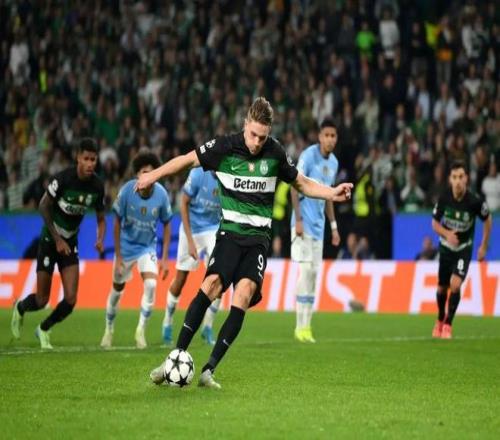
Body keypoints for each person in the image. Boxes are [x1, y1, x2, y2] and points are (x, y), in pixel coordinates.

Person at [136, 97, 353, 389]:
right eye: (253, 135)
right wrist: (152, 175)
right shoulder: (224, 147)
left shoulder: (275, 152)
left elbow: (302, 183)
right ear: (245, 124)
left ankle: (208, 370)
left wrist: (332, 192)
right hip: (229, 234)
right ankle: (174, 358)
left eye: (262, 137)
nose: (256, 143)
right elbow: (186, 160)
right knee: (211, 285)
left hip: (258, 239)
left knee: (244, 294)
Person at [11, 138, 105, 349]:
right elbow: (43, 206)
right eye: (86, 158)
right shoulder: (63, 179)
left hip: (70, 243)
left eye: (93, 159)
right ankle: (20, 307)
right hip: (49, 240)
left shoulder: (97, 186)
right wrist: (57, 239)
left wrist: (100, 238)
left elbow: (101, 217)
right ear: (78, 158)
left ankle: (44, 329)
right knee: (42, 299)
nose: (90, 163)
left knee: (71, 299)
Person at [100, 150, 172, 349]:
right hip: (125, 248)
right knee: (117, 291)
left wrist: (165, 258)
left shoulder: (162, 195)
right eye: (143, 172)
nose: (147, 176)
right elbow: (116, 223)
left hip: (147, 247)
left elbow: (167, 224)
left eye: (151, 172)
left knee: (151, 285)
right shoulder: (126, 192)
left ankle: (140, 331)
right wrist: (119, 256)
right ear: (137, 175)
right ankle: (109, 329)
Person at [290, 117, 341, 343]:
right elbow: (294, 186)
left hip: (319, 228)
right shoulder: (308, 156)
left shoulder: (334, 163)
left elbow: (329, 195)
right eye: (326, 135)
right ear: (320, 137)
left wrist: (334, 227)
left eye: (333, 136)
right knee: (306, 271)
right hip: (303, 225)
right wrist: (298, 219)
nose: (329, 139)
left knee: (314, 275)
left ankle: (307, 327)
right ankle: (299, 326)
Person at [431, 161, 491, 339]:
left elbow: (488, 220)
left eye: (461, 177)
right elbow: (434, 223)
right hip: (446, 248)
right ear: (450, 179)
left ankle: (448, 324)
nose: (458, 181)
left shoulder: (474, 201)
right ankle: (440, 317)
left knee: (455, 285)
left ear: (466, 179)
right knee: (442, 288)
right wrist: (447, 234)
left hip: (463, 249)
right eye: (454, 177)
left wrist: (483, 245)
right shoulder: (444, 198)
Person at [162, 167, 221, 346]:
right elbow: (183, 203)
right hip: (192, 229)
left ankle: (207, 327)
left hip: (213, 229)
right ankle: (167, 322)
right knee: (181, 279)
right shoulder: (197, 174)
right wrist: (190, 240)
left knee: (220, 277)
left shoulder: (230, 175)